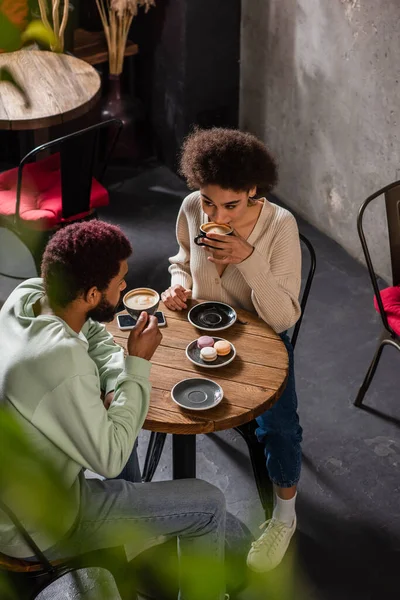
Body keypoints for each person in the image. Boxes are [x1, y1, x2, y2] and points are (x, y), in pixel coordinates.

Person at [0, 220, 244, 600]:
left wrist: (117, 380)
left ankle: (145, 531)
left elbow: (93, 334)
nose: (126, 287)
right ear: (93, 293)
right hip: (41, 524)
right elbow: (110, 459)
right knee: (209, 503)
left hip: (15, 498)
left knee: (119, 417)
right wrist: (137, 364)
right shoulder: (60, 360)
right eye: (120, 283)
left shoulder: (29, 296)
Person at [162, 128, 303, 573]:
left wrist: (249, 257)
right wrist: (178, 287)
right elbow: (181, 260)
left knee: (279, 428)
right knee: (156, 393)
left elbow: (283, 318)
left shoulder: (280, 226)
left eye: (231, 205)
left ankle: (284, 515)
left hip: (261, 341)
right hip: (199, 331)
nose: (215, 214)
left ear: (253, 191)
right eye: (209, 201)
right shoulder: (191, 208)